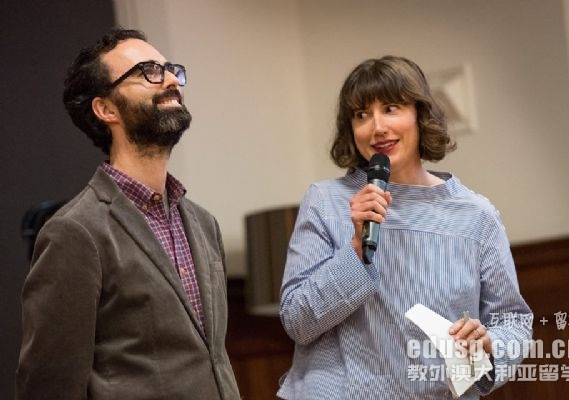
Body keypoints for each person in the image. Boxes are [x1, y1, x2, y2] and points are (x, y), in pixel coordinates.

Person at [278, 56, 532, 399]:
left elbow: (513, 321)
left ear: (420, 115)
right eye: (361, 114)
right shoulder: (325, 202)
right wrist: (356, 249)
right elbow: (297, 320)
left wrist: (489, 345)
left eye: (391, 108)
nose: (377, 127)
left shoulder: (476, 215)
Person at [16, 28, 241, 400]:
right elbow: (48, 385)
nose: (170, 80)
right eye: (148, 72)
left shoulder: (204, 224)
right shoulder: (75, 231)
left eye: (170, 70)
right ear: (106, 109)